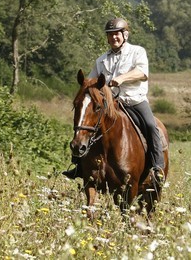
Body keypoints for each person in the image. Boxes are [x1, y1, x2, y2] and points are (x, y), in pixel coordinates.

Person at [62, 18, 166, 183]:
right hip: (111, 105)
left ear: (125, 35)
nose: (113, 38)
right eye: (110, 35)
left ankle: (157, 167)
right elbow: (91, 81)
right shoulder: (101, 60)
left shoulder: (137, 52)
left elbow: (142, 73)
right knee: (85, 124)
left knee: (151, 125)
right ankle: (79, 166)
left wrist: (122, 78)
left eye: (116, 34)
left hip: (134, 101)